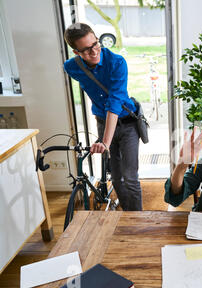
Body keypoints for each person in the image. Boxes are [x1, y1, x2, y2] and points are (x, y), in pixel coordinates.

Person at [63, 23, 142, 211]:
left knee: (130, 177)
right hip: (102, 123)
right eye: (87, 49)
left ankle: (138, 220)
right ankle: (126, 216)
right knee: (116, 178)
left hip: (127, 124)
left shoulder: (117, 63)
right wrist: (105, 139)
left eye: (96, 44)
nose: (94, 51)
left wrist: (104, 142)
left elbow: (114, 103)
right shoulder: (71, 67)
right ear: (76, 52)